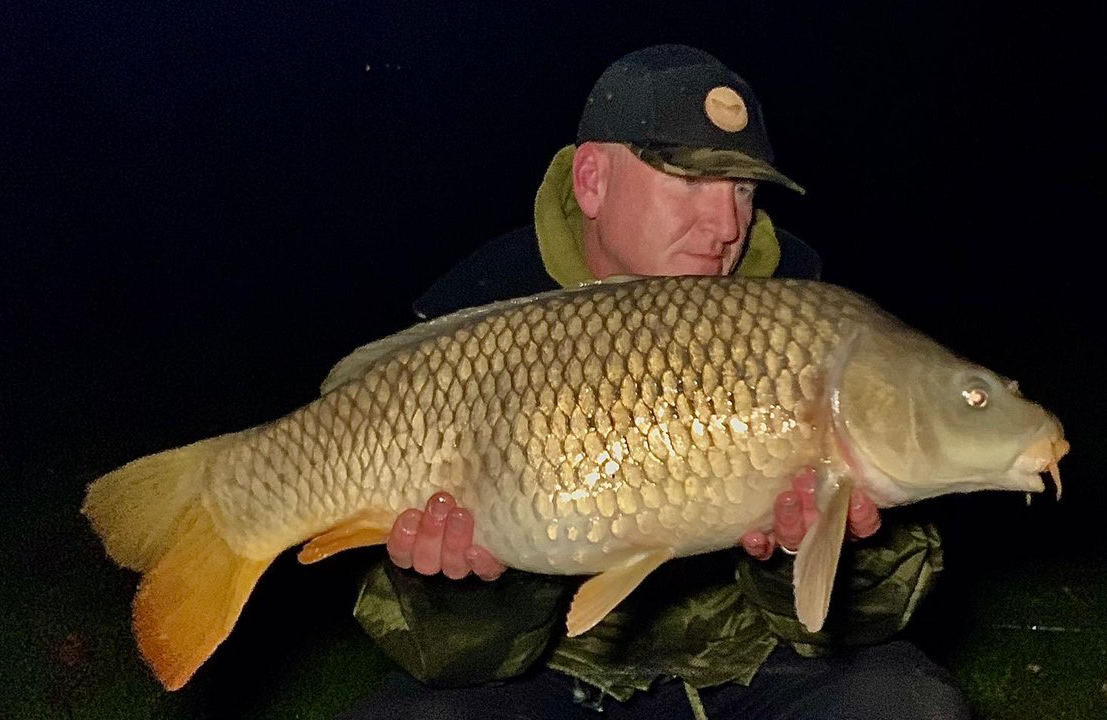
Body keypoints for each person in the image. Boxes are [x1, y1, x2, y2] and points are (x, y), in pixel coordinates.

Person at [340, 45, 968, 719]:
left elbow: (866, 622)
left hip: (751, 671)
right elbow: (442, 658)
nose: (728, 227)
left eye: (744, 191)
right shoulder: (471, 332)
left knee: (906, 703)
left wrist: (818, 548)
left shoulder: (807, 330)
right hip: (548, 675)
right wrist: (474, 587)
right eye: (692, 183)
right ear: (592, 180)